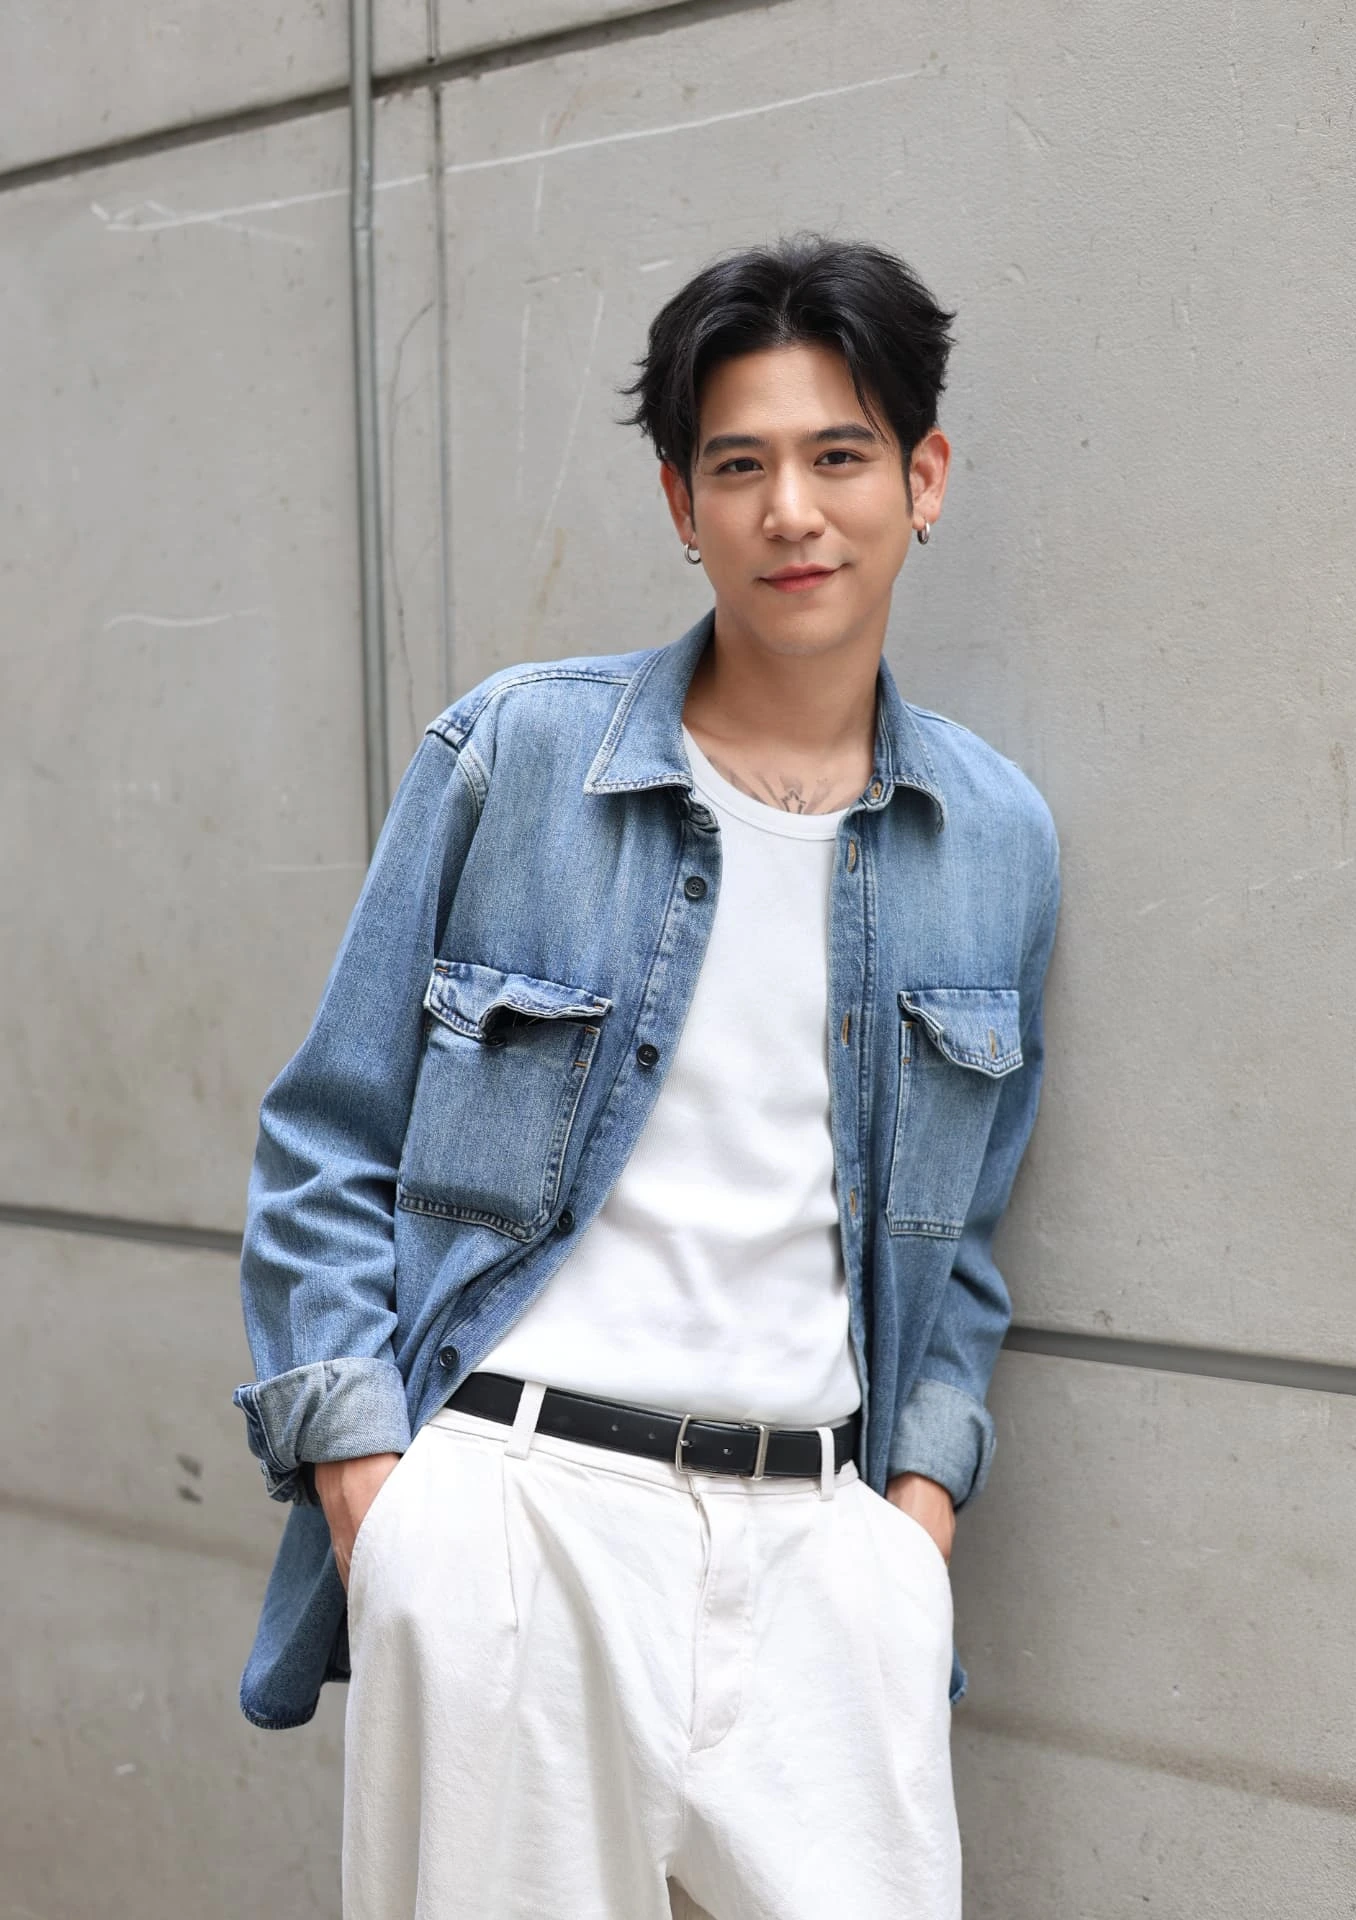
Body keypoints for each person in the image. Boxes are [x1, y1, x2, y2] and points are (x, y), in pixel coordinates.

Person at [233, 232, 1060, 1920]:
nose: (792, 512)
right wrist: (377, 1493)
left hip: (825, 1545)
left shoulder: (996, 839)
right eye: (738, 467)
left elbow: (962, 1241)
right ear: (682, 503)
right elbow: (327, 1135)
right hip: (517, 1522)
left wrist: (914, 1519)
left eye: (839, 457)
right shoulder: (518, 756)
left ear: (924, 479)